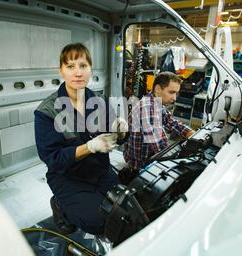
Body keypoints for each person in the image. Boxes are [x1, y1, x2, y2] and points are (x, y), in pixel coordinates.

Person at [34, 43, 127, 235]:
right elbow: (53, 159)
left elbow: (114, 139)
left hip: (99, 169)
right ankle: (60, 205)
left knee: (126, 207)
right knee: (97, 222)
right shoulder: (47, 111)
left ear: (90, 69)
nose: (78, 73)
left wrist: (121, 132)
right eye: (70, 67)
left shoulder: (99, 101)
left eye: (83, 66)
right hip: (68, 177)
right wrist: (90, 147)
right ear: (61, 71)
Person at [123, 71, 195, 172]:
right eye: (171, 92)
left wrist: (189, 132)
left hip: (145, 159)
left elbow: (169, 121)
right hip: (140, 167)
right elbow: (159, 147)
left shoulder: (155, 101)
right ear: (157, 89)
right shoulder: (147, 107)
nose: (175, 98)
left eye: (176, 93)